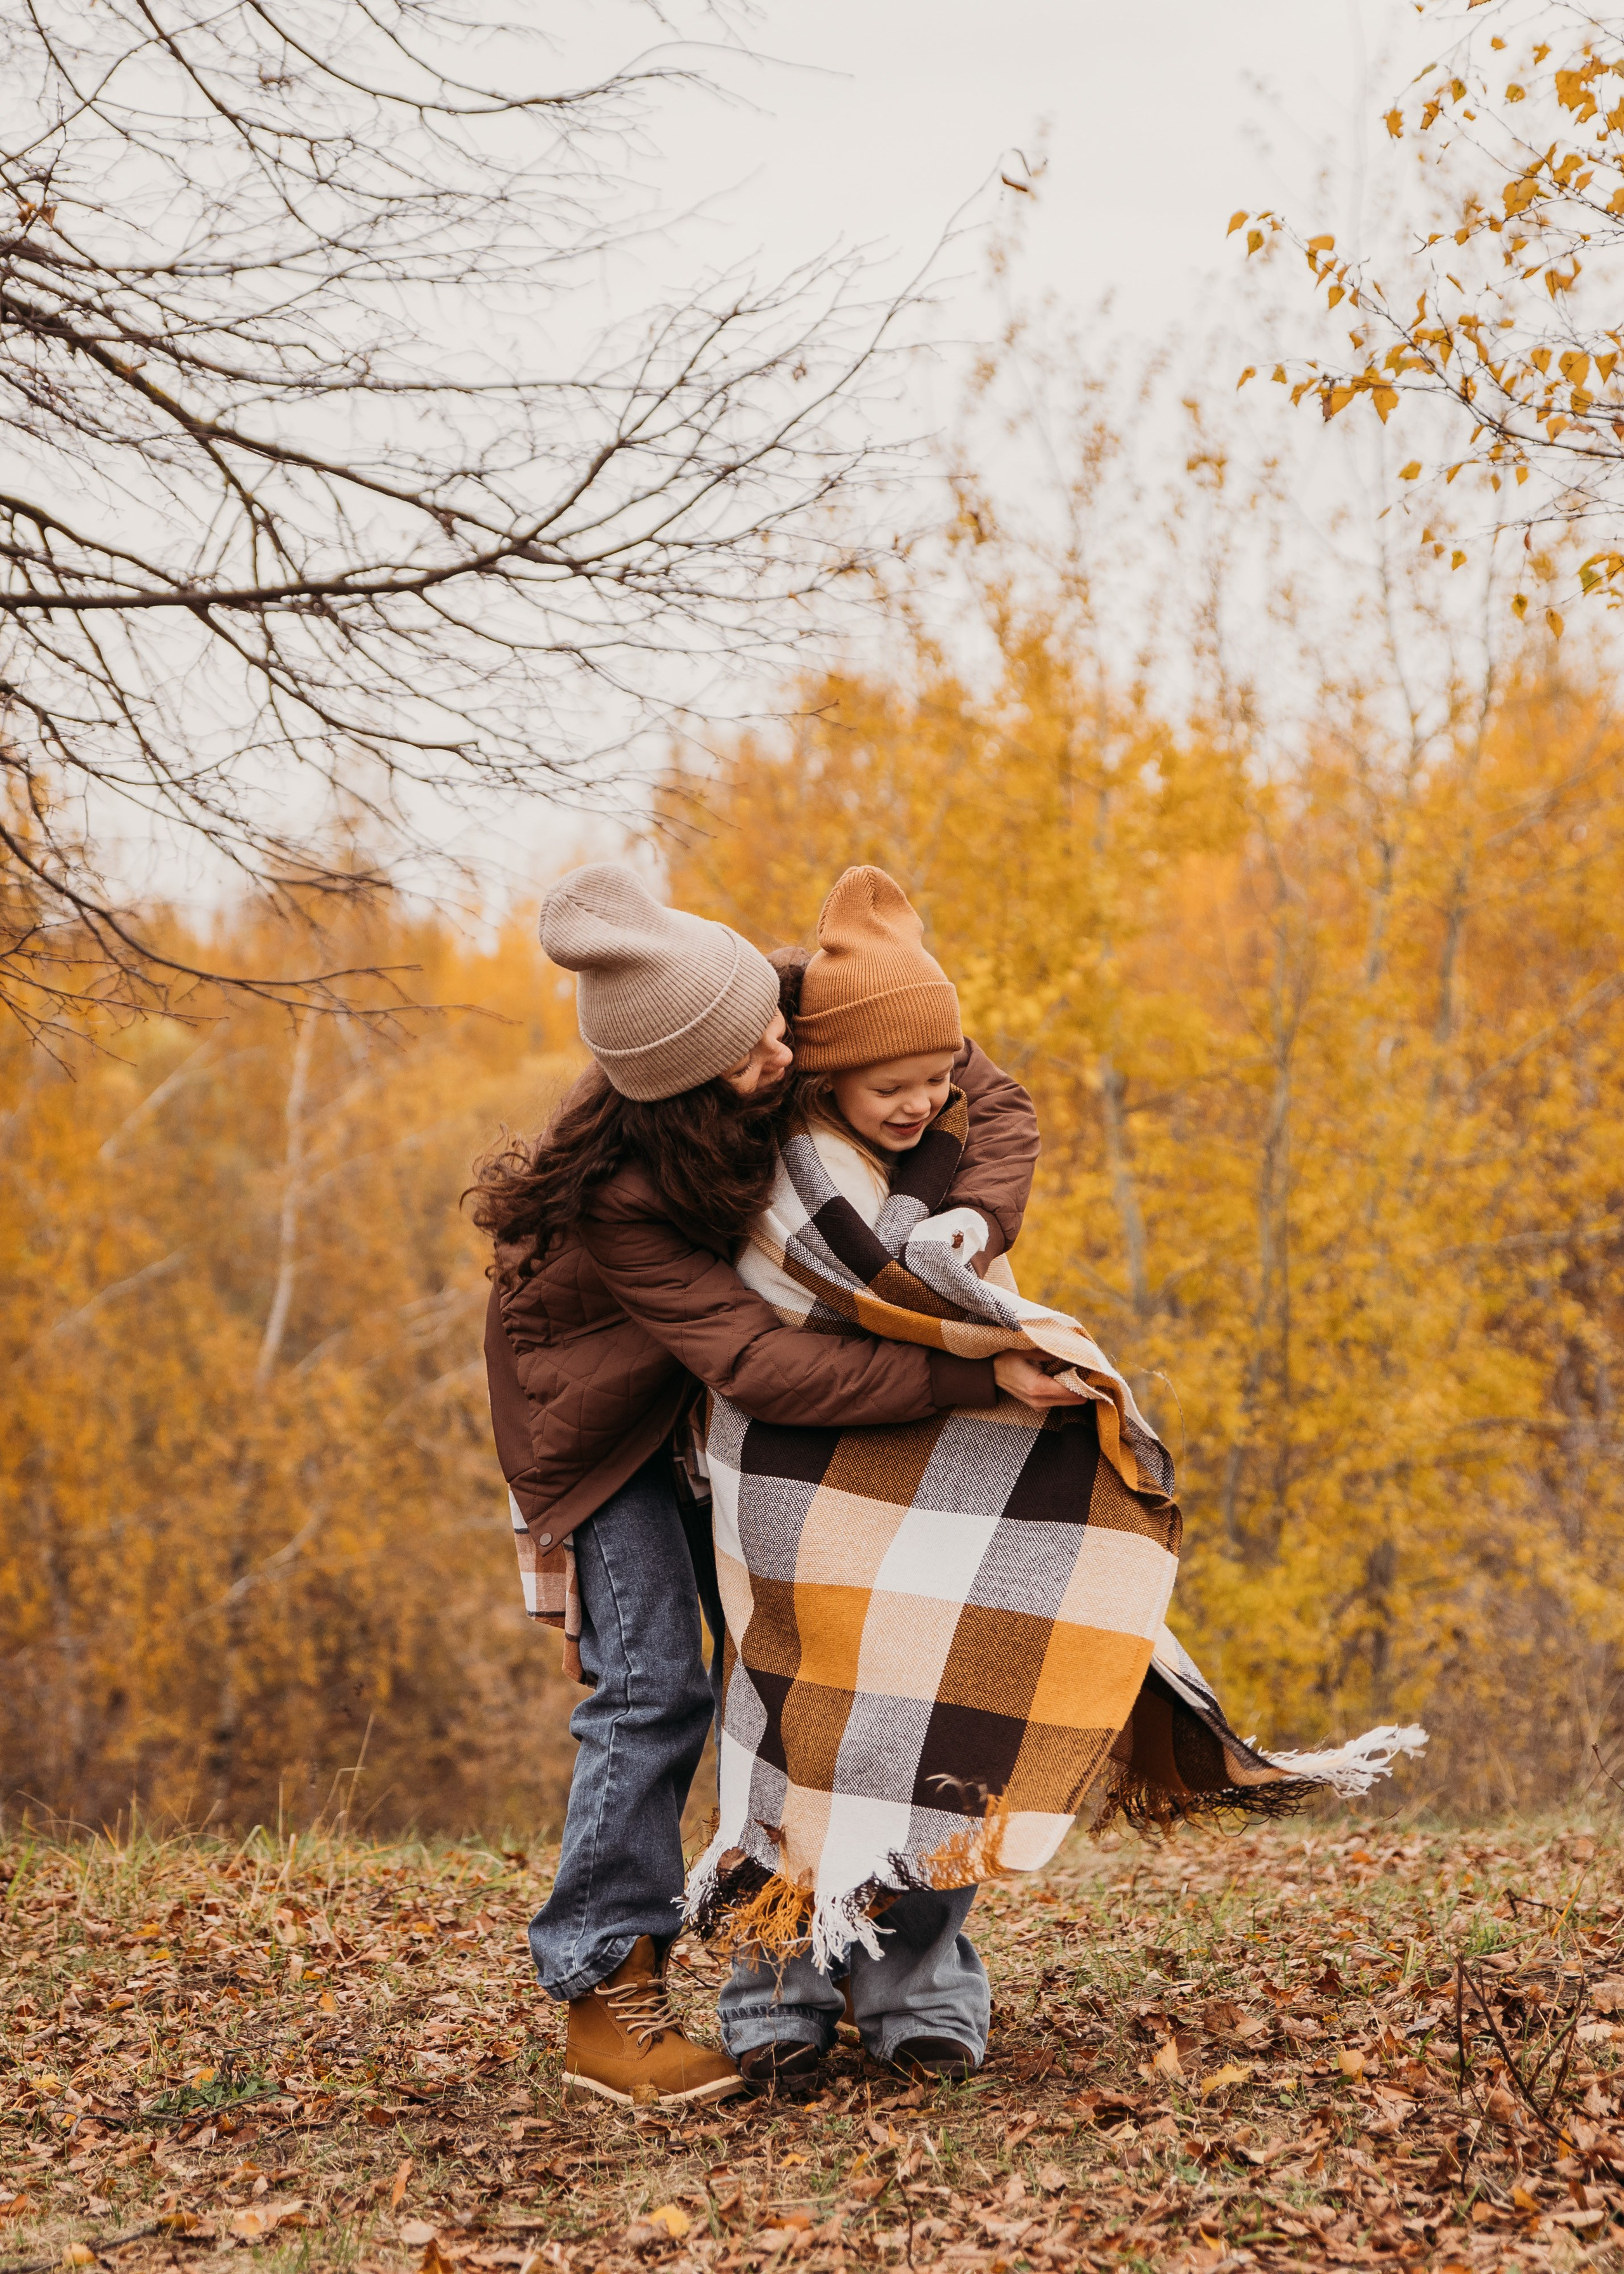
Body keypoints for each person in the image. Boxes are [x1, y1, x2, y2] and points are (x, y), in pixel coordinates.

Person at [470, 864, 1076, 2109]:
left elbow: (987, 1089)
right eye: (751, 1055)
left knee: (820, 1655)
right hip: (603, 1428)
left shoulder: (768, 1003)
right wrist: (966, 1380)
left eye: (778, 1026)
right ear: (682, 1088)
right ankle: (605, 1996)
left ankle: (866, 1959)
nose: (783, 1051)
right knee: (652, 1687)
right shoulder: (626, 1191)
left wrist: (968, 1219)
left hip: (718, 1398)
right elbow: (756, 1360)